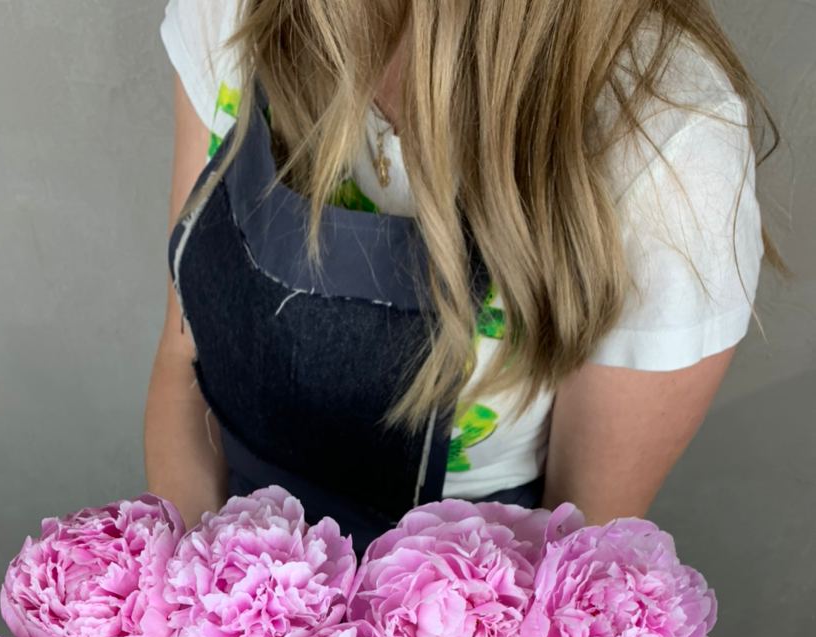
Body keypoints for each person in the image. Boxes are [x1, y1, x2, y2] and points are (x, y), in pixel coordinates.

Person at [144, 0, 781, 552]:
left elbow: (577, 556)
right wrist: (201, 613)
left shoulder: (668, 147)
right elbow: (183, 362)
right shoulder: (238, 11)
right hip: (216, 555)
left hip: (466, 629)